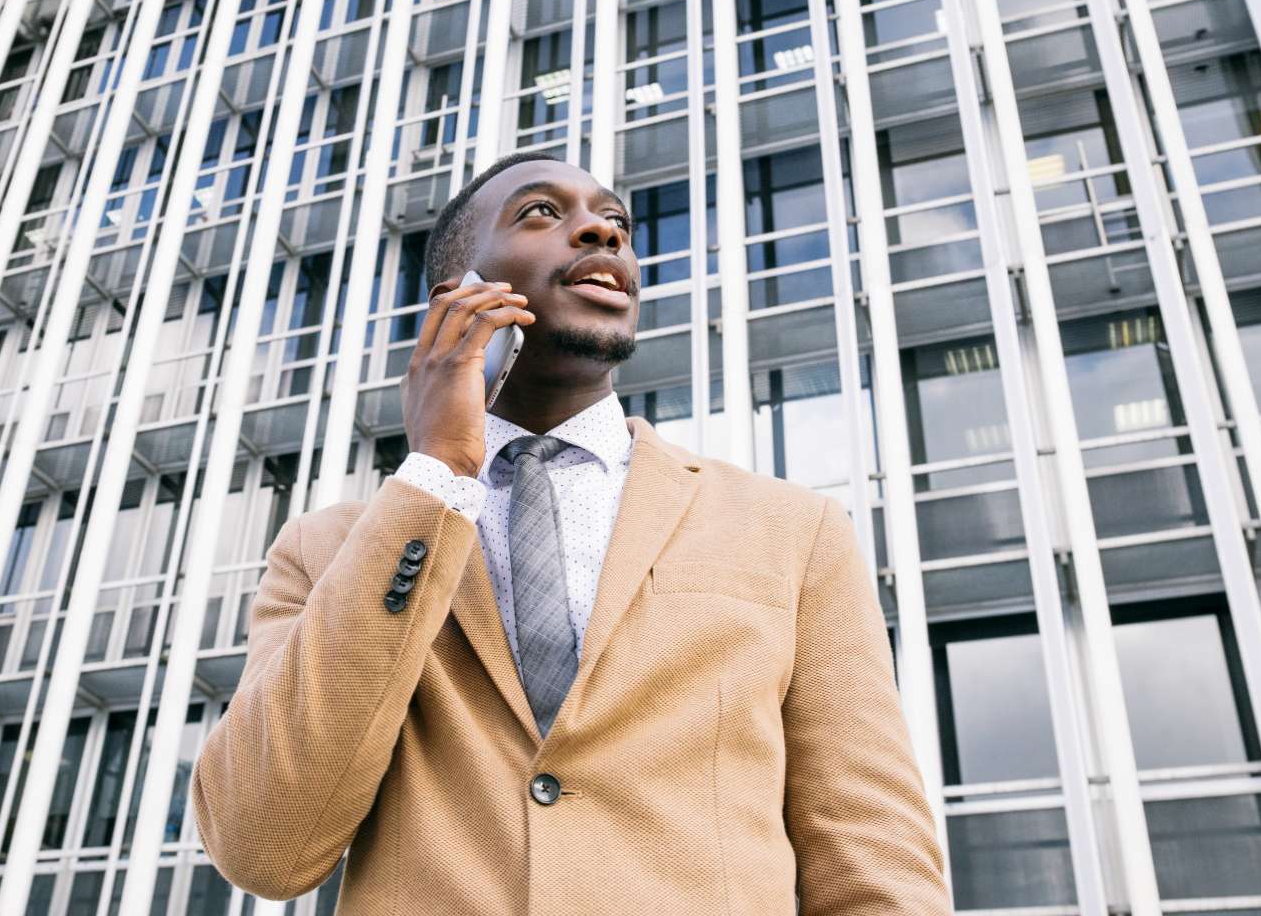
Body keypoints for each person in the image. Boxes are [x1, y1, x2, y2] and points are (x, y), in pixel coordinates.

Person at [190, 152, 951, 913]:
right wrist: (437, 474)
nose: (601, 231)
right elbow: (264, 846)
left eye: (616, 222)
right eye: (542, 213)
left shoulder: (793, 530)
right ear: (456, 295)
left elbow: (872, 858)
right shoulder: (327, 552)